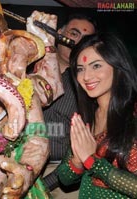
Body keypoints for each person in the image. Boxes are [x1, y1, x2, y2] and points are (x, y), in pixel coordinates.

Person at [57, 32, 137, 198]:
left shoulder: (133, 117)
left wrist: (91, 161)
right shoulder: (87, 117)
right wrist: (78, 161)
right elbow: (65, 178)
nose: (86, 77)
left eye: (96, 66)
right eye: (80, 69)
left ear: (118, 66)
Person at [41, 13, 98, 198]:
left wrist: (41, 186)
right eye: (74, 34)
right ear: (59, 33)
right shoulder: (27, 68)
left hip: (61, 173)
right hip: (18, 161)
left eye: (85, 39)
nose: (78, 42)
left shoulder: (88, 86)